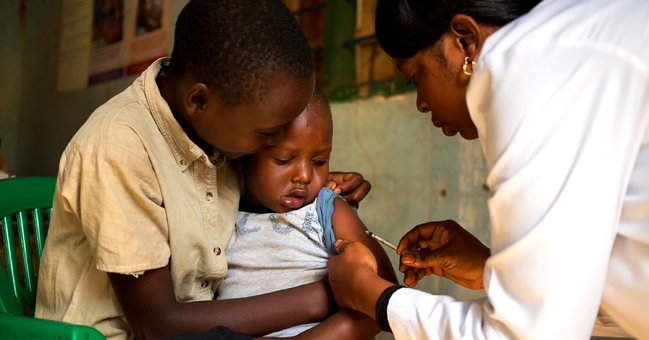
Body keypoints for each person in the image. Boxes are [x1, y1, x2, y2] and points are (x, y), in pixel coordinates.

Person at [35, 1, 370, 339]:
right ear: (199, 101)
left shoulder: (217, 134)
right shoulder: (119, 147)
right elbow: (158, 325)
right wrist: (333, 293)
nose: (279, 140)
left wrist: (318, 182)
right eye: (269, 134)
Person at [327, 0, 649, 339]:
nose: (421, 102)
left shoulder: (531, 71)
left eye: (414, 78)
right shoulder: (573, 45)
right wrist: (492, 270)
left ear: (464, 41)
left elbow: (525, 334)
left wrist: (379, 300)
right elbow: (585, 299)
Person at [217, 87, 398, 339]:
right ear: (241, 153)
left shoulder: (326, 210)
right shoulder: (219, 213)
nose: (304, 175)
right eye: (283, 159)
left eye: (319, 161)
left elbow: (385, 295)